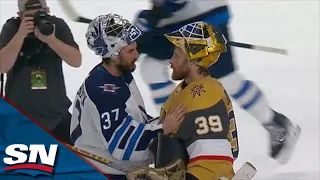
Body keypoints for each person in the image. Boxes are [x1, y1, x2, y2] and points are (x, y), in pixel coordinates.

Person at [134, 0, 301, 164]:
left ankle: (276, 124)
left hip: (202, 16)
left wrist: (151, 19)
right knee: (152, 67)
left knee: (225, 79)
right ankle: (178, 137)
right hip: (187, 18)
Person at [70, 13, 183, 180]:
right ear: (114, 54)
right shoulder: (105, 91)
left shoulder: (116, 75)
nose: (137, 55)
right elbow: (122, 145)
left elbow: (131, 121)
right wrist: (162, 128)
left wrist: (160, 122)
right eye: (131, 51)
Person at [128, 21, 238, 180]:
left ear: (194, 60)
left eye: (176, 55)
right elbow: (174, 141)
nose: (171, 61)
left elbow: (213, 161)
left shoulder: (204, 94)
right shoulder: (186, 89)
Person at [0, 0, 81, 145]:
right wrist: (20, 35)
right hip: (20, 118)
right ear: (20, 15)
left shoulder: (56, 26)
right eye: (30, 17)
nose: (36, 21)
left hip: (56, 115)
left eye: (39, 15)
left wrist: (50, 40)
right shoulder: (12, 28)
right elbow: (2, 66)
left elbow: (76, 61)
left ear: (47, 11)